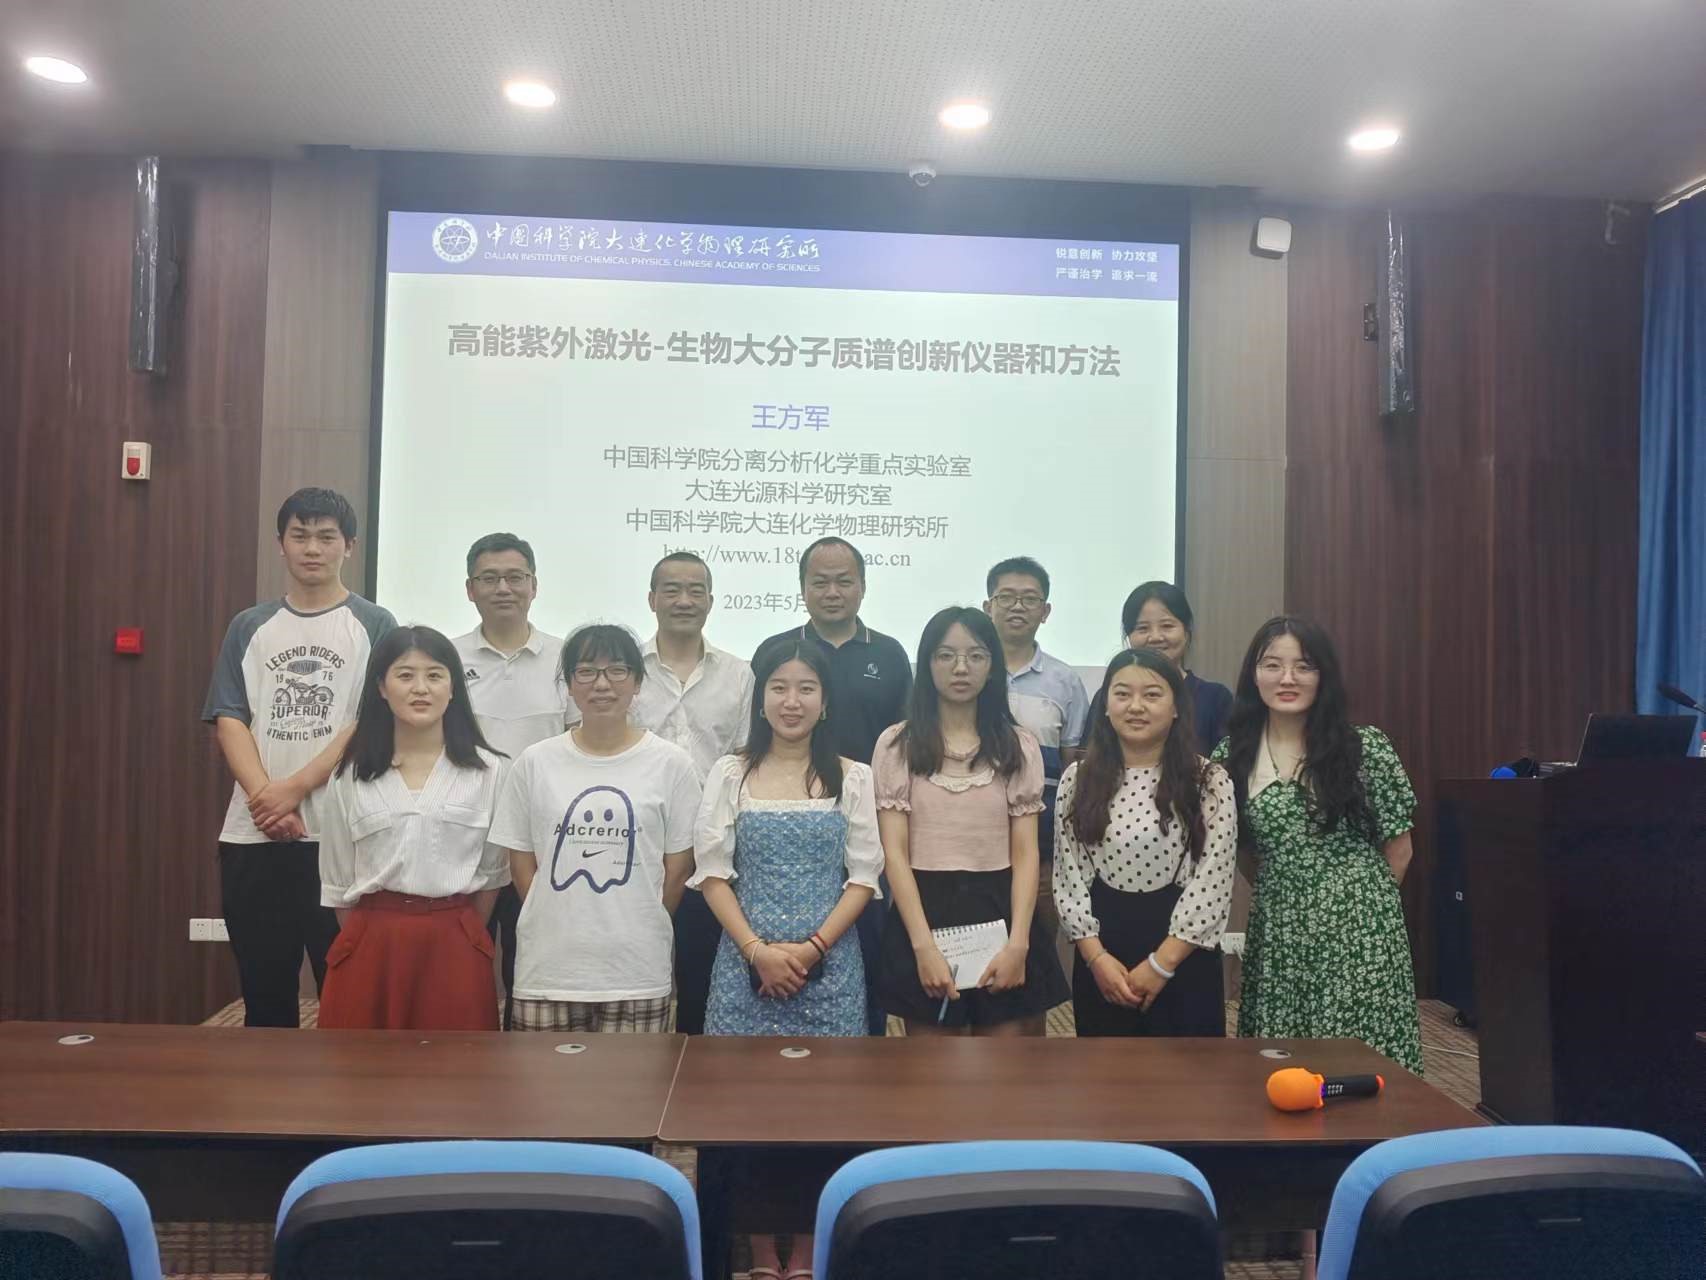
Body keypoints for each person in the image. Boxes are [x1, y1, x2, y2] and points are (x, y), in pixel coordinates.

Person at [692, 636, 882, 1280]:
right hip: (743, 967)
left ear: (825, 702)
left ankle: (804, 1243)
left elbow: (863, 876)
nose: (791, 701)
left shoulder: (853, 776)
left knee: (825, 1109)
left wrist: (810, 949)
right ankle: (750, 1242)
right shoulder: (730, 772)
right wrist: (756, 952)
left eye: (806, 688)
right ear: (761, 698)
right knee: (741, 1108)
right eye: (779, 687)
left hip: (830, 969)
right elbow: (712, 872)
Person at [202, 487, 396, 1027]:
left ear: (349, 545)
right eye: (300, 535)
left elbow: (368, 721)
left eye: (326, 537)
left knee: (347, 996)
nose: (313, 548)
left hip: (339, 835)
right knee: (265, 997)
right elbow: (230, 717)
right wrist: (267, 798)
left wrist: (294, 789)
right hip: (253, 835)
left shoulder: (376, 624)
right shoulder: (249, 625)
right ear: (280, 544)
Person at [1211, 615, 1422, 1074]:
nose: (1287, 678)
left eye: (1304, 666)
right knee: (1280, 1061)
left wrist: (1362, 911)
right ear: (1254, 675)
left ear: (1323, 675)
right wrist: (1289, 891)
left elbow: (1400, 848)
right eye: (1272, 665)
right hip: (1278, 926)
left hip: (1360, 930)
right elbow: (1242, 850)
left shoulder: (1365, 748)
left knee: (1361, 1061)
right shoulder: (1231, 757)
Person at [489, 625, 701, 1033]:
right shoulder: (535, 762)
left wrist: (640, 920)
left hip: (636, 970)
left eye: (617, 670)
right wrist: (555, 915)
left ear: (637, 681)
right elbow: (521, 863)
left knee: (634, 1078)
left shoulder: (672, 764)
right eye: (586, 671)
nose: (602, 684)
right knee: (540, 1077)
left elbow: (677, 871)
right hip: (548, 970)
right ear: (569, 684)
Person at [873, 607, 1068, 1035]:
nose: (961, 668)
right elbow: (895, 854)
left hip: (1001, 907)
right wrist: (922, 947)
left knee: (1003, 1061)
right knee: (931, 1065)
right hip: (923, 909)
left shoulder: (1018, 745)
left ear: (992, 665)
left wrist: (1019, 943)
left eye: (976, 656)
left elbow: (1025, 853)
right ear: (927, 664)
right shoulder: (897, 744)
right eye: (946, 655)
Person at [317, 626, 510, 1031]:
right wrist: (374, 933)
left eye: (435, 675)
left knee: (458, 1062)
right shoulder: (349, 775)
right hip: (372, 942)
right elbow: (338, 881)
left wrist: (457, 927)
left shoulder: (490, 772)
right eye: (405, 675)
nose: (420, 688)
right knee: (360, 1063)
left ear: (453, 688)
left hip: (454, 942)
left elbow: (492, 874)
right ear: (381, 687)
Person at [757, 536, 910, 1035]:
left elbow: (904, 745)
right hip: (787, 831)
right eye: (819, 582)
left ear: (863, 586)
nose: (832, 592)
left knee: (864, 957)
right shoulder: (776, 651)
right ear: (802, 587)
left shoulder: (889, 654)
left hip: (867, 826)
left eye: (844, 581)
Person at [1053, 648, 1238, 1037]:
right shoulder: (1077, 778)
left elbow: (1213, 883)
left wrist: (1160, 966)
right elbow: (1069, 878)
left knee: (1188, 1071)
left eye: (1152, 695)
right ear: (1106, 706)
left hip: (1182, 957)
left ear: (1176, 707)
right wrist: (1096, 958)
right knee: (1105, 1071)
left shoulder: (1208, 780)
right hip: (1104, 962)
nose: (1135, 706)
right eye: (1122, 694)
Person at [633, 551, 755, 1036]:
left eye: (695, 590)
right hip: (638, 847)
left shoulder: (738, 674)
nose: (684, 600)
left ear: (710, 601)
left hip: (712, 855)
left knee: (700, 986)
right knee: (637, 980)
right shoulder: (626, 670)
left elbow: (744, 763)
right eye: (672, 590)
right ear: (651, 599)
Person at [453, 532, 567, 1029]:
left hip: (541, 841)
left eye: (515, 577)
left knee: (530, 963)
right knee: (464, 959)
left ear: (534, 586)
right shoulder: (446, 659)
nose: (504, 588)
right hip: (464, 837)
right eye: (490, 578)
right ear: (470, 589)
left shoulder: (566, 659)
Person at [984, 555, 1089, 980]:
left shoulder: (1065, 681)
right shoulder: (967, 670)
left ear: (1045, 611)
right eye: (1006, 597)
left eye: (1029, 599)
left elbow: (1073, 767)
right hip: (974, 835)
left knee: (1037, 948)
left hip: (1043, 839)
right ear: (987, 606)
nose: (1017, 606)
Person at [1122, 581, 1234, 752]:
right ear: (1129, 636)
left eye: (1167, 626)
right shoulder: (1112, 697)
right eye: (1142, 628)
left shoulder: (1216, 699)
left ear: (1186, 631)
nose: (1155, 637)